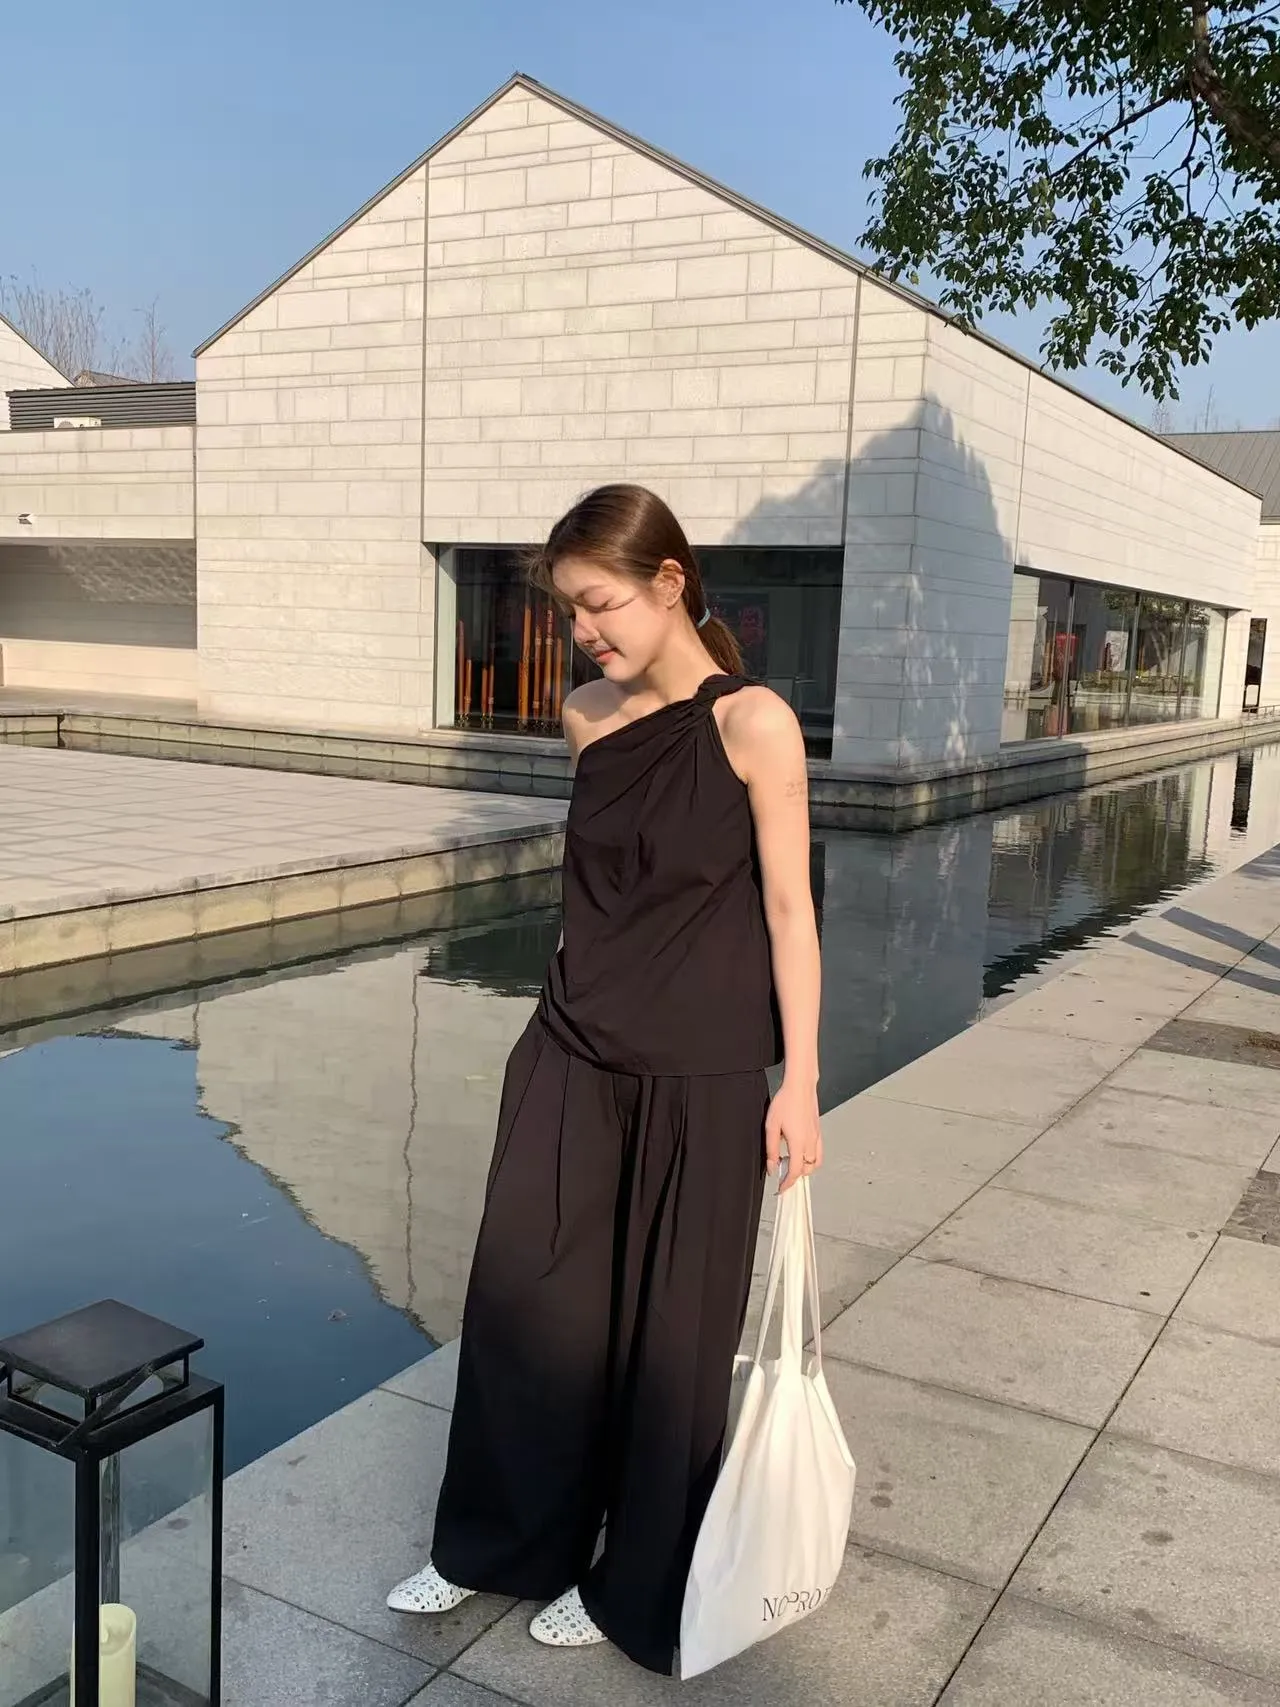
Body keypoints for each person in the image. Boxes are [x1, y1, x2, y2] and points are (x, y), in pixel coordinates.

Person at [386, 482, 823, 1676]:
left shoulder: (753, 724)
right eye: (571, 610)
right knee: (526, 1303)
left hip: (701, 1073)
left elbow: (789, 912)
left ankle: (632, 1577)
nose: (582, 631)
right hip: (571, 1050)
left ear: (667, 583)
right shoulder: (586, 717)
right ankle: (497, 1544)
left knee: (668, 1342)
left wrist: (798, 1084)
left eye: (598, 604)